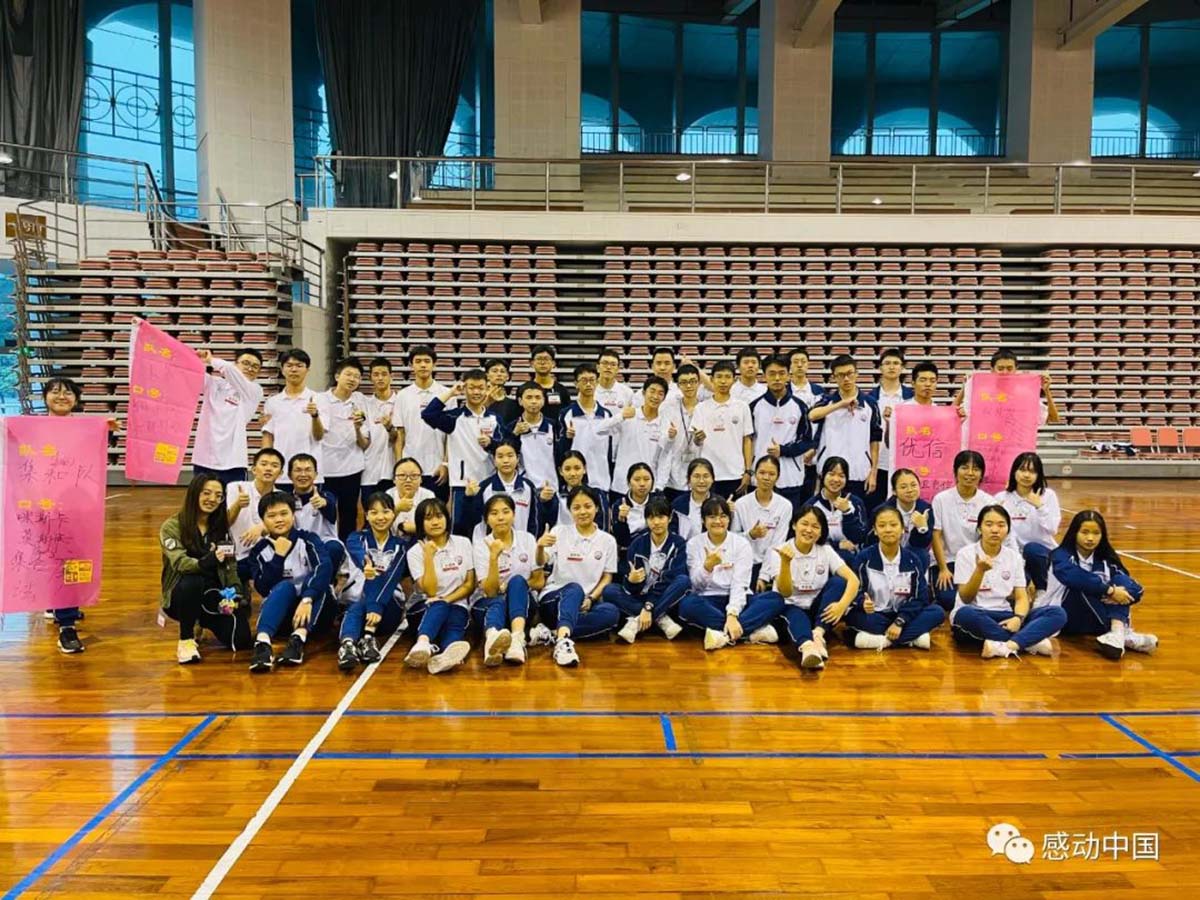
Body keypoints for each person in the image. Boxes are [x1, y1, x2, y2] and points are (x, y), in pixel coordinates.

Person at [950, 505, 1067, 659]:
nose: (995, 530)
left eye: (1001, 525)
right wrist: (979, 571)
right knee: (965, 614)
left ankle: (1007, 646)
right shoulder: (965, 554)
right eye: (989, 524)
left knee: (1057, 613)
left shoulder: (1014, 557)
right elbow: (965, 598)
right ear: (979, 529)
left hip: (1005, 615)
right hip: (976, 614)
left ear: (1008, 530)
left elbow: (1021, 597)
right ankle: (1027, 642)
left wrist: (1018, 618)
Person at [1042, 510, 1157, 660]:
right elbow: (1072, 577)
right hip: (1065, 616)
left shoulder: (1106, 558)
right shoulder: (1061, 555)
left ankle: (1117, 633)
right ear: (1074, 533)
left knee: (1121, 582)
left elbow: (1135, 588)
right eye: (1085, 532)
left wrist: (1119, 593)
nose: (1090, 538)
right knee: (1083, 585)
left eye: (1096, 533)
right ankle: (1122, 634)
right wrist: (1109, 591)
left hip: (1095, 619)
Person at [159, 475, 251, 664]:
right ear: (194, 493)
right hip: (181, 594)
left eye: (218, 495)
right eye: (206, 493)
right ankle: (186, 639)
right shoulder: (171, 526)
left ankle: (202, 620)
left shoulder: (220, 528)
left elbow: (230, 565)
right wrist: (206, 562)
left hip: (213, 595)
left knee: (241, 640)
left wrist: (235, 592)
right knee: (194, 579)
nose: (212, 499)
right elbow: (180, 563)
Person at [242, 491, 334, 672]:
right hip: (281, 614)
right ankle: (262, 644)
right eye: (271, 516)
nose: (279, 520)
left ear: (293, 515)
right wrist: (278, 557)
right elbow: (263, 588)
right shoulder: (259, 551)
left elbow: (324, 568)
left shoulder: (308, 539)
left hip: (314, 610)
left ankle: (298, 640)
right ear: (263, 520)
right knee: (285, 587)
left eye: (284, 513)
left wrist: (307, 599)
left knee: (320, 586)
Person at [759, 505, 859, 670]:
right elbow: (785, 592)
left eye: (815, 526)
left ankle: (818, 635)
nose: (809, 530)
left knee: (839, 582)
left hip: (817, 610)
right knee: (795, 615)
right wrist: (785, 563)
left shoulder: (826, 550)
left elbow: (853, 580)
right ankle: (808, 648)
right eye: (804, 524)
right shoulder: (779, 551)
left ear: (821, 531)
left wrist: (842, 606)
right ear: (794, 525)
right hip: (790, 605)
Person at [678, 497, 786, 651]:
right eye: (712, 517)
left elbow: (740, 584)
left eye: (723, 516)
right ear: (703, 520)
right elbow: (696, 585)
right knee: (686, 605)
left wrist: (732, 614)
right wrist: (707, 567)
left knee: (775, 599)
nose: (718, 521)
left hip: (739, 599)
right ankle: (748, 632)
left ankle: (723, 636)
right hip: (708, 599)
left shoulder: (741, 544)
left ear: (729, 519)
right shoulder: (693, 544)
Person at [533, 485, 622, 666]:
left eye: (587, 506)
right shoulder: (559, 532)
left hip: (585, 604)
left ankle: (552, 634)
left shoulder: (608, 540)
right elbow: (541, 561)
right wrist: (540, 546)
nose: (582, 512)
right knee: (574, 589)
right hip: (554, 599)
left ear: (597, 508)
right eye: (576, 507)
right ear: (570, 510)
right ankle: (563, 643)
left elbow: (607, 577)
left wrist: (591, 598)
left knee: (612, 613)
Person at [38, 377, 95, 652]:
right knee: (55, 560)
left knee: (71, 559)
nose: (62, 396)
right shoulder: (32, 428)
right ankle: (66, 623)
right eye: (55, 392)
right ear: (45, 397)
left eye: (68, 393)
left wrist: (107, 431)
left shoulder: (86, 429)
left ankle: (63, 611)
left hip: (77, 507)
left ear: (76, 399)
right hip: (42, 505)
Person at [846, 506, 946, 651]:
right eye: (882, 525)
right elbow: (855, 590)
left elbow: (920, 598)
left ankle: (882, 641)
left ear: (902, 529)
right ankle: (911, 639)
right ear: (875, 530)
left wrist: (900, 622)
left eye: (893, 525)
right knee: (852, 617)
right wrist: (862, 602)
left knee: (937, 612)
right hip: (875, 615)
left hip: (905, 615)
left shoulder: (913, 560)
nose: (888, 530)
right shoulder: (864, 558)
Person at [402, 498, 477, 674]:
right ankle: (422, 642)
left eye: (439, 516)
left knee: (456, 619)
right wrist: (428, 556)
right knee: (440, 606)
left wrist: (446, 599)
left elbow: (469, 584)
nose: (435, 522)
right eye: (428, 518)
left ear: (446, 518)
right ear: (420, 523)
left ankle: (445, 656)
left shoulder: (463, 543)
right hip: (423, 607)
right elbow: (430, 591)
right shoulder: (414, 552)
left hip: (456, 603)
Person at [421, 371, 500, 536]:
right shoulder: (455, 418)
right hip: (462, 484)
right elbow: (428, 414)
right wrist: (451, 393)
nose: (476, 392)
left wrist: (491, 443)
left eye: (481, 388)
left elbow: (505, 447)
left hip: (489, 483)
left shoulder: (494, 418)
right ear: (464, 389)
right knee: (460, 530)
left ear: (487, 388)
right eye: (471, 387)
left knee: (489, 531)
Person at [336, 492, 409, 671]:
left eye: (386, 511)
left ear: (393, 514)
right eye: (374, 512)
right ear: (367, 516)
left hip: (388, 608)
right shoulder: (355, 538)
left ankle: (366, 638)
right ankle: (350, 645)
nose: (380, 517)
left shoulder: (400, 545)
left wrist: (375, 605)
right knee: (359, 603)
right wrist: (366, 564)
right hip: (357, 607)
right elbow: (358, 553)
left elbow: (392, 577)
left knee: (378, 579)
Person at [602, 495, 689, 643]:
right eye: (651, 518)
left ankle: (636, 623)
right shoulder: (637, 543)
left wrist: (649, 606)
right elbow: (630, 589)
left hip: (663, 596)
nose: (656, 522)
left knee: (683, 581)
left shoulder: (678, 544)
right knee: (609, 590)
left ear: (669, 518)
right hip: (640, 597)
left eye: (661, 517)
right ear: (646, 520)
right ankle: (661, 619)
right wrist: (631, 581)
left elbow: (669, 579)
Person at [472, 494, 544, 666]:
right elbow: (490, 592)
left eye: (506, 511)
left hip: (522, 605)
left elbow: (539, 581)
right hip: (489, 604)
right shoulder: (481, 545)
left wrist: (512, 588)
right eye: (494, 513)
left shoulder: (527, 539)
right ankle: (493, 642)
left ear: (514, 514)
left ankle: (517, 639)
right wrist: (493, 558)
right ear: (487, 519)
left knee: (517, 581)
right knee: (497, 603)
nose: (501, 517)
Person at [808, 354, 882, 503]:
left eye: (849, 373)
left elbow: (875, 440)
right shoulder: (827, 401)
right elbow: (812, 415)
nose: (846, 379)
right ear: (834, 377)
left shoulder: (870, 404)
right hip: (830, 473)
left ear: (856, 374)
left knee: (856, 512)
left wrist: (873, 471)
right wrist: (840, 404)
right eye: (841, 375)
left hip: (859, 471)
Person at [931, 450, 994, 610]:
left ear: (981, 474)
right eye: (965, 468)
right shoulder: (941, 499)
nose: (970, 473)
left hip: (976, 562)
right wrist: (943, 569)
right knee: (948, 600)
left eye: (976, 469)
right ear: (955, 471)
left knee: (984, 597)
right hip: (949, 560)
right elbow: (936, 535)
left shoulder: (988, 502)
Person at [749, 354, 813, 513]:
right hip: (760, 478)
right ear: (764, 376)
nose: (777, 378)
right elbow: (748, 441)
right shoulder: (754, 406)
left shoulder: (800, 406)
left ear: (788, 374)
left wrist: (783, 450)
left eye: (781, 373)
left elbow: (807, 441)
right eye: (772, 374)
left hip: (791, 476)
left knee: (790, 521)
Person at [191, 348, 263, 486]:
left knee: (234, 499)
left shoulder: (254, 390)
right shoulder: (214, 383)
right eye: (246, 363)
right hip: (204, 459)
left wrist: (210, 359)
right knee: (201, 498)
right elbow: (190, 374)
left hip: (233, 462)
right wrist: (194, 358)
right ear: (235, 364)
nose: (250, 368)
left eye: (255, 366)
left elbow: (229, 370)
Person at [317, 358, 371, 540]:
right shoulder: (321, 399)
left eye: (357, 376)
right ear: (337, 376)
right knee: (326, 514)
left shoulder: (360, 401)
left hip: (352, 469)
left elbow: (364, 443)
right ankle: (328, 548)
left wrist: (357, 429)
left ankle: (347, 551)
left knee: (349, 514)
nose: (352, 379)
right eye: (348, 374)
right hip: (326, 469)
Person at [995, 452, 1061, 596]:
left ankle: (1042, 591)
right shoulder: (1001, 498)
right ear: (1014, 472)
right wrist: (1017, 560)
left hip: (1042, 553)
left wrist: (1040, 507)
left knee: (1032, 549)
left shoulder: (1047, 496)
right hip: (1015, 554)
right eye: (1022, 470)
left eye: (1032, 471)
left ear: (1039, 475)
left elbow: (1052, 529)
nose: (1026, 475)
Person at [261, 348, 326, 488]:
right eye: (289, 365)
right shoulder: (272, 402)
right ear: (282, 369)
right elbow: (268, 437)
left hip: (309, 474)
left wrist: (315, 416)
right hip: (280, 474)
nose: (294, 369)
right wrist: (266, 467)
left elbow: (319, 436)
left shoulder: (319, 399)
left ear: (307, 370)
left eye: (299, 365)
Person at [955, 348, 1061, 433]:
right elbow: (952, 413)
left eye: (1010, 368)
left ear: (1016, 369)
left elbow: (1053, 418)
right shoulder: (981, 393)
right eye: (1000, 368)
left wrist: (1047, 391)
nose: (1005, 372)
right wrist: (965, 387)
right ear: (992, 369)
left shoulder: (1024, 395)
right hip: (985, 448)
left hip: (1014, 449)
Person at [608, 375, 677, 504]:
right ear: (644, 393)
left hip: (648, 488)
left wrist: (659, 485)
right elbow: (600, 430)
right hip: (621, 486)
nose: (655, 396)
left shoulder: (665, 423)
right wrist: (620, 417)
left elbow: (665, 457)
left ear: (664, 397)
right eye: (652, 391)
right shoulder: (629, 415)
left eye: (660, 393)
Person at [691, 361, 755, 499]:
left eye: (727, 377)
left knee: (733, 510)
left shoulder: (742, 407)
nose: (723, 381)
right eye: (719, 377)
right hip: (708, 474)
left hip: (735, 473)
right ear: (712, 379)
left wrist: (748, 471)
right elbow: (696, 442)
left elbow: (747, 440)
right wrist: (698, 438)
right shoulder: (701, 408)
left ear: (734, 380)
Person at [395, 345, 450, 500]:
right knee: (409, 510)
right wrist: (400, 466)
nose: (423, 365)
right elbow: (400, 435)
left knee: (436, 511)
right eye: (418, 361)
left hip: (437, 468)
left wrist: (445, 464)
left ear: (434, 364)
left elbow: (450, 435)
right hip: (410, 471)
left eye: (427, 361)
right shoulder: (403, 395)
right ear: (411, 365)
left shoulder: (447, 394)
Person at [459, 439, 542, 539]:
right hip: (491, 544)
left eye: (510, 456)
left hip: (521, 545)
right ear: (494, 460)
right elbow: (471, 520)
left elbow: (533, 521)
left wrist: (530, 541)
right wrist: (468, 498)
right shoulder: (484, 487)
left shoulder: (528, 486)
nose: (505, 460)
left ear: (518, 458)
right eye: (500, 456)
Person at [864, 348, 914, 510]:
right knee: (876, 509)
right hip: (878, 463)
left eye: (896, 363)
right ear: (880, 368)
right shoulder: (869, 399)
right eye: (887, 363)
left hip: (905, 462)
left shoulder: (912, 397)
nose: (892, 367)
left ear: (902, 367)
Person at [732, 455, 793, 587]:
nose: (766, 477)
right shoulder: (741, 504)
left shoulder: (785, 506)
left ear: (778, 477)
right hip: (744, 563)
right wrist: (751, 535)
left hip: (771, 564)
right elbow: (733, 539)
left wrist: (764, 576)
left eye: (771, 474)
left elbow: (777, 543)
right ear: (755, 475)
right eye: (762, 473)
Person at [559, 362, 616, 495]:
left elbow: (609, 450)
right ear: (576, 384)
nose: (588, 384)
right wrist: (567, 438)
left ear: (597, 382)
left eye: (592, 380)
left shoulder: (606, 415)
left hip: (601, 482)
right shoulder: (566, 414)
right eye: (584, 380)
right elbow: (560, 451)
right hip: (576, 481)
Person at [802, 456, 869, 565]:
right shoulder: (811, 505)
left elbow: (860, 537)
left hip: (850, 558)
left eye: (841, 476)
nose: (836, 479)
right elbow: (806, 537)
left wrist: (847, 512)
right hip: (819, 557)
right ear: (822, 475)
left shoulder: (856, 503)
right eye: (831, 474)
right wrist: (837, 545)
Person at [286, 453, 346, 572]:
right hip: (295, 545)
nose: (303, 474)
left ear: (316, 474)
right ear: (289, 475)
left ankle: (327, 582)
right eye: (298, 470)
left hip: (323, 544)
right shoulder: (285, 499)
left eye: (308, 470)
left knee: (335, 548)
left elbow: (331, 512)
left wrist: (324, 503)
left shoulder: (327, 496)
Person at [226, 448, 285, 560]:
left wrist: (262, 527)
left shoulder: (282, 496)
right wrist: (238, 505)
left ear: (280, 473)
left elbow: (285, 528)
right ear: (253, 469)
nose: (268, 469)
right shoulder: (235, 487)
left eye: (274, 465)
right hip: (237, 556)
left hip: (268, 557)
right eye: (264, 464)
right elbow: (225, 523)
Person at [874, 468, 934, 570]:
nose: (910, 490)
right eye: (903, 487)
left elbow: (922, 544)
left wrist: (922, 529)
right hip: (886, 549)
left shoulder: (926, 509)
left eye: (913, 485)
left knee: (922, 555)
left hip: (912, 550)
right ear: (894, 491)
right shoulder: (881, 511)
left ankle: (916, 580)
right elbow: (872, 539)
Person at [360, 356, 401, 504]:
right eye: (376, 374)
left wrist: (389, 428)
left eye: (384, 374)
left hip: (394, 470)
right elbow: (363, 440)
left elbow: (399, 437)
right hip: (370, 470)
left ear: (391, 376)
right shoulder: (365, 404)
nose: (380, 378)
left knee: (394, 511)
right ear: (370, 377)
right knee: (370, 511)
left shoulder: (401, 402)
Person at [505, 381, 559, 492]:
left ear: (543, 401)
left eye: (538, 397)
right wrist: (514, 434)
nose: (534, 401)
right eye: (529, 397)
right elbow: (505, 454)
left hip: (551, 486)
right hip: (523, 488)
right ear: (520, 401)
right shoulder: (511, 428)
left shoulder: (554, 426)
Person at [663, 363, 705, 501]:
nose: (688, 386)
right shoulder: (669, 408)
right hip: (673, 473)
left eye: (693, 381)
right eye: (684, 382)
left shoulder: (706, 408)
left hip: (700, 471)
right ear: (678, 385)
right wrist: (669, 436)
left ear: (699, 383)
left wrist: (699, 439)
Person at [540, 450, 610, 532]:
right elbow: (546, 523)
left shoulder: (597, 494)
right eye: (567, 469)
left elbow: (603, 527)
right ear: (560, 471)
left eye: (577, 468)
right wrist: (544, 502)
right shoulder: (556, 497)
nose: (572, 473)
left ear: (584, 469)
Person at [788, 348, 824, 498]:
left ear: (808, 364)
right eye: (795, 362)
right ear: (789, 366)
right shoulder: (783, 392)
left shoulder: (818, 392)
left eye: (803, 362)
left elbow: (823, 424)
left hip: (812, 453)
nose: (800, 365)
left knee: (808, 496)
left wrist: (813, 447)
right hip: (790, 452)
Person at [610, 462, 657, 558]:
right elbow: (621, 540)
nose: (642, 484)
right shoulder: (619, 505)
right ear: (629, 482)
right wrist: (621, 520)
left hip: (653, 552)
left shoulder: (658, 502)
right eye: (637, 480)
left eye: (646, 479)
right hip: (627, 552)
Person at [386, 457, 435, 537]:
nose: (408, 480)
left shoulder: (428, 496)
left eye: (414, 475)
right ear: (394, 479)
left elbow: (433, 525)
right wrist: (397, 509)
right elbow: (380, 524)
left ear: (421, 479)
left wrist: (415, 528)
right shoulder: (388, 495)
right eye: (402, 475)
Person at [671, 457, 714, 541]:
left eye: (706, 476)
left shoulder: (719, 504)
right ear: (688, 479)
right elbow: (673, 533)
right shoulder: (678, 504)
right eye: (696, 476)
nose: (701, 481)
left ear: (712, 479)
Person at [529, 343, 572, 422]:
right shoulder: (525, 390)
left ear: (553, 363)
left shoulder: (562, 390)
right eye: (539, 359)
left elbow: (568, 416)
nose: (542, 362)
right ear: (532, 363)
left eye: (546, 359)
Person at [595, 347, 634, 415]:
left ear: (618, 369)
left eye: (613, 364)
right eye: (605, 363)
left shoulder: (627, 393)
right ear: (598, 367)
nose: (608, 367)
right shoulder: (589, 391)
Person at [483, 356, 522, 425]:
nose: (499, 374)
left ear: (507, 377)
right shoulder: (478, 401)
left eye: (502, 371)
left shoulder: (514, 405)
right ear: (487, 376)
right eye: (495, 371)